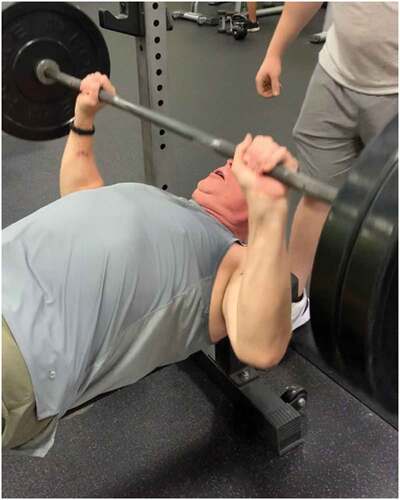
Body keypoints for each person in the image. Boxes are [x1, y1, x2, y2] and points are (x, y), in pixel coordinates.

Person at [2, 73, 306, 457]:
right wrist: (83, 119)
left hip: (22, 344)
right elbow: (81, 199)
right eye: (230, 162)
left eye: (237, 171)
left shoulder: (235, 260)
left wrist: (269, 211)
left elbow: (260, 347)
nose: (227, 164)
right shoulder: (170, 206)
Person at [255, 2, 398, 303]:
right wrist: (274, 52)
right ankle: (293, 300)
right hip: (334, 78)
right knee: (316, 192)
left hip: (395, 91)